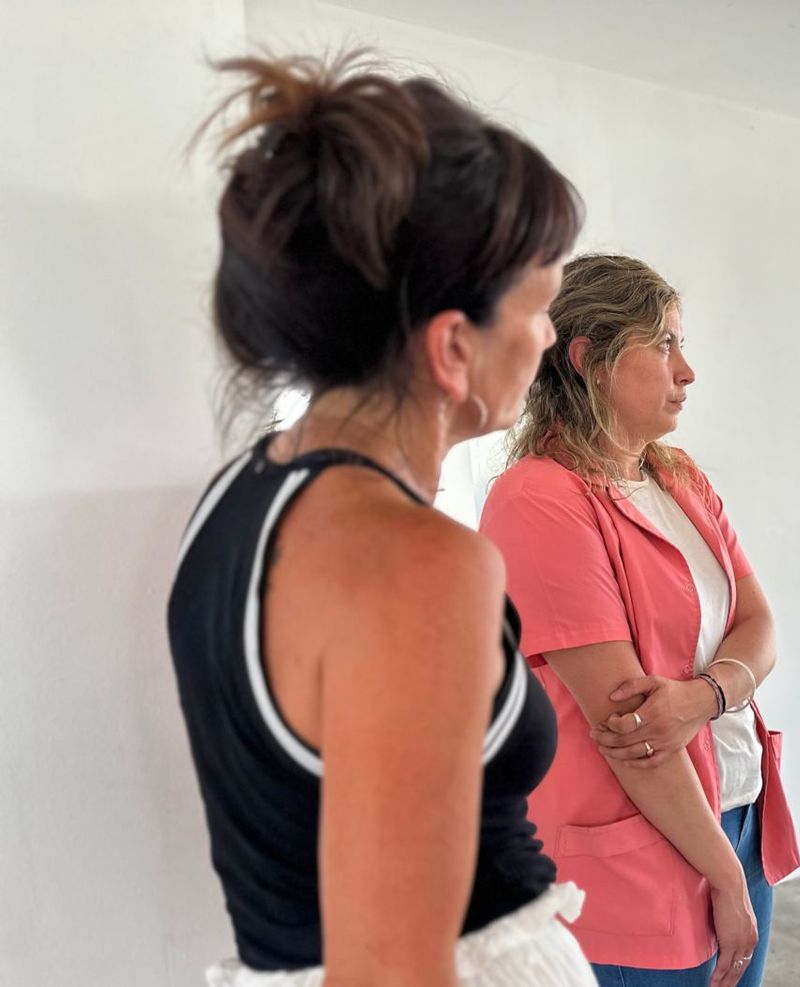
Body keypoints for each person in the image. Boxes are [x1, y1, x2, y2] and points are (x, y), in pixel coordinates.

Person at [166, 51, 594, 986]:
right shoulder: (417, 564)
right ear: (452, 346)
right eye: (543, 305)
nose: (551, 339)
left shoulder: (233, 503)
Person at [480, 254, 800, 987]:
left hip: (741, 814)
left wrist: (707, 695)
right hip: (644, 852)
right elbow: (632, 731)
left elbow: (760, 622)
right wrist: (723, 878)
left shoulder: (678, 476)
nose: (687, 371)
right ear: (589, 359)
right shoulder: (538, 499)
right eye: (664, 344)